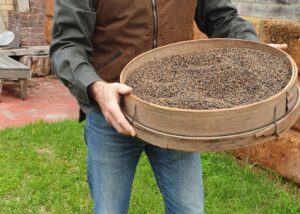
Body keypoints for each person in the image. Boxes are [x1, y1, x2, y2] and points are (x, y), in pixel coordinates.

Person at [49, 1, 286, 213]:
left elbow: (222, 17)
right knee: (108, 208)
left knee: (189, 208)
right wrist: (96, 87)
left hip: (176, 115)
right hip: (111, 113)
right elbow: (67, 45)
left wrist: (254, 53)